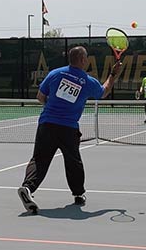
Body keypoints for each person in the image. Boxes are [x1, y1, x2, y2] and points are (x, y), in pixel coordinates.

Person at [18, 47, 121, 213]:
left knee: (39, 160)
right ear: (81, 60)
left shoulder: (54, 74)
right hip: (68, 129)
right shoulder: (87, 81)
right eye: (86, 58)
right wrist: (113, 74)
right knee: (73, 162)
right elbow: (104, 92)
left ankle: (27, 188)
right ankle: (78, 194)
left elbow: (40, 97)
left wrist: (53, 110)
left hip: (46, 125)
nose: (87, 60)